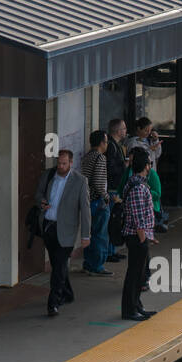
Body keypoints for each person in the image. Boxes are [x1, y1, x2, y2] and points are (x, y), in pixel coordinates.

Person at [37, 150, 91, 317]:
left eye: (64, 163)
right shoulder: (49, 175)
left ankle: (53, 302)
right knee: (57, 265)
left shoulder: (80, 181)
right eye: (59, 163)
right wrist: (42, 202)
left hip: (67, 231)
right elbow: (38, 194)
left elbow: (85, 209)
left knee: (59, 267)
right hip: (49, 227)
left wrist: (85, 235)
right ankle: (68, 293)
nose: (60, 166)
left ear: (71, 163)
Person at [120, 148, 158, 321]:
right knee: (134, 274)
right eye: (149, 163)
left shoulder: (138, 183)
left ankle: (137, 305)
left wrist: (149, 236)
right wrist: (143, 238)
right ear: (146, 166)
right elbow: (137, 217)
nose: (150, 166)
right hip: (136, 237)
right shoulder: (137, 187)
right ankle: (129, 309)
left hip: (141, 236)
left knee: (140, 274)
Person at [81, 130, 113, 276]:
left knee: (89, 234)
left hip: (88, 201)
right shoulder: (100, 157)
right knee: (100, 235)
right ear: (101, 143)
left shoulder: (87, 156)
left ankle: (88, 263)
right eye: (106, 142)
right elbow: (99, 183)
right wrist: (107, 197)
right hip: (98, 201)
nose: (107, 145)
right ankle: (97, 266)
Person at [103, 119, 127, 264]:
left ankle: (112, 250)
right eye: (124, 128)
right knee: (112, 221)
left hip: (115, 188)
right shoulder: (111, 146)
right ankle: (108, 252)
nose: (125, 131)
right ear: (117, 131)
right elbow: (110, 169)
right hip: (112, 189)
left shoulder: (115, 145)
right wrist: (124, 166)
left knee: (115, 221)